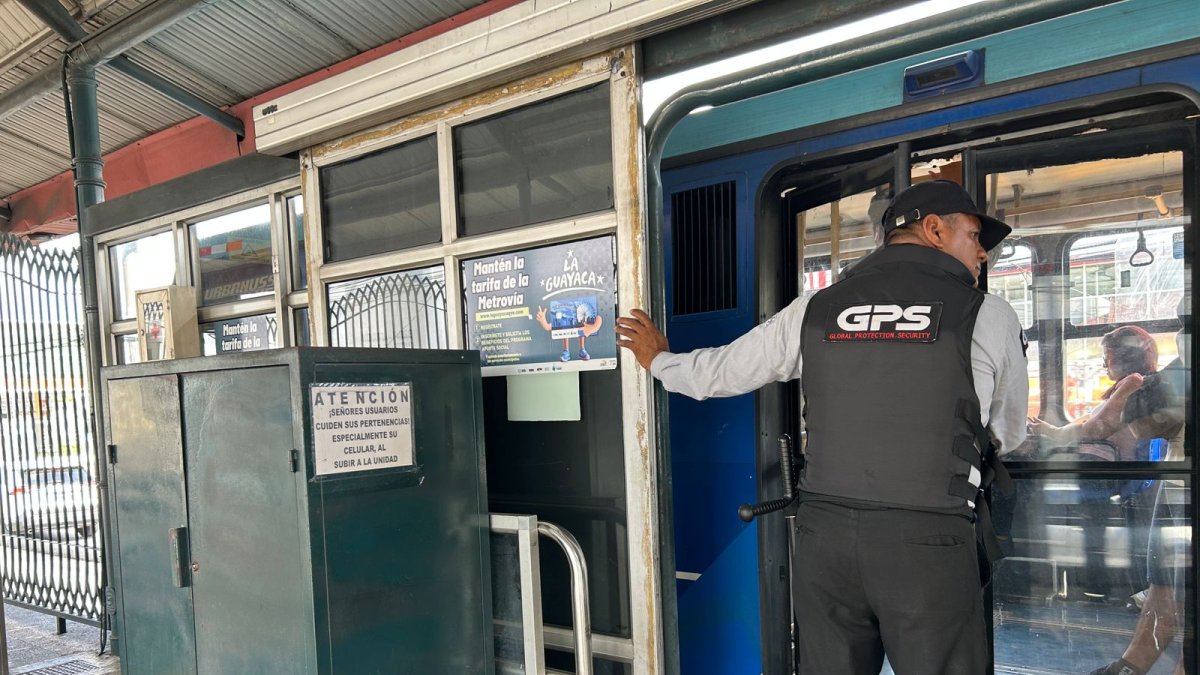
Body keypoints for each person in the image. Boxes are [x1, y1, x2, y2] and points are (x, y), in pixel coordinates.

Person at [616, 180, 1028, 674]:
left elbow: (722, 372)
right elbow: (1008, 432)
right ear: (935, 230)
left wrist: (659, 360)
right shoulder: (990, 314)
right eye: (975, 235)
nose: (984, 252)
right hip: (928, 542)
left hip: (824, 541)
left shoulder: (816, 307)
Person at [1028, 325, 1160, 462]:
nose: (1104, 365)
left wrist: (1053, 432)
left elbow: (1095, 429)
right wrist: (1051, 430)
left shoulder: (1134, 385)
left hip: (1111, 474)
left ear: (1124, 358)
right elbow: (1091, 420)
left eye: (1107, 357)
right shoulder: (1132, 385)